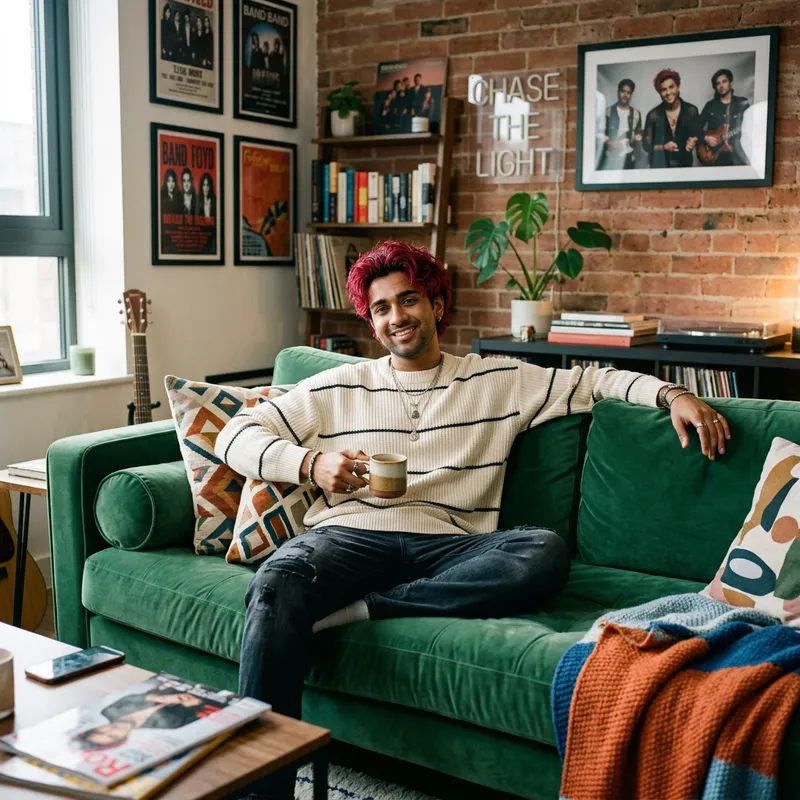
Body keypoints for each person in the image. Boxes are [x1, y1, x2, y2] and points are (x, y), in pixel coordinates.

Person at [215, 241, 730, 800]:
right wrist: (312, 463)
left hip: (453, 546)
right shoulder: (334, 388)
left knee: (541, 551)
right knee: (275, 585)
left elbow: (595, 381)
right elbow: (232, 435)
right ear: (371, 321)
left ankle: (362, 610)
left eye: (408, 300)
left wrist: (673, 392)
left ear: (436, 303)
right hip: (350, 535)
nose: (396, 318)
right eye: (381, 308)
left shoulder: (500, 380)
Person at [70, 686, 224, 751]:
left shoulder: (110, 710)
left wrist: (164, 698)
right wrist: (197, 703)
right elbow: (202, 711)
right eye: (112, 736)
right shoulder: (170, 726)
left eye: (100, 731)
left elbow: (137, 696)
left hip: (168, 688)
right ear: (122, 739)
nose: (111, 730)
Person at [643, 68, 701, 168]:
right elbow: (646, 146)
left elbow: (698, 134)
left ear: (678, 87)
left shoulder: (691, 110)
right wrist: (663, 147)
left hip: (685, 165)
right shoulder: (653, 115)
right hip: (660, 165)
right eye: (663, 89)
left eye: (671, 87)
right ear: (659, 93)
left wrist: (693, 141)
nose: (668, 92)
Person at [698, 68, 751, 167]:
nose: (721, 85)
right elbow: (695, 126)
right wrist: (705, 138)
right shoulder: (710, 105)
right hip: (716, 157)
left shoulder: (742, 103)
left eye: (724, 81)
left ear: (731, 83)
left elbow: (752, 126)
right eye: (718, 83)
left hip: (737, 155)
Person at [600, 79, 642, 170]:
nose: (625, 95)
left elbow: (639, 135)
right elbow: (600, 135)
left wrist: (638, 138)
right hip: (611, 156)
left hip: (629, 158)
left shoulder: (636, 114)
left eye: (628, 92)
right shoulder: (608, 112)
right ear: (618, 92)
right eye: (623, 91)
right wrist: (610, 143)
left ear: (631, 95)